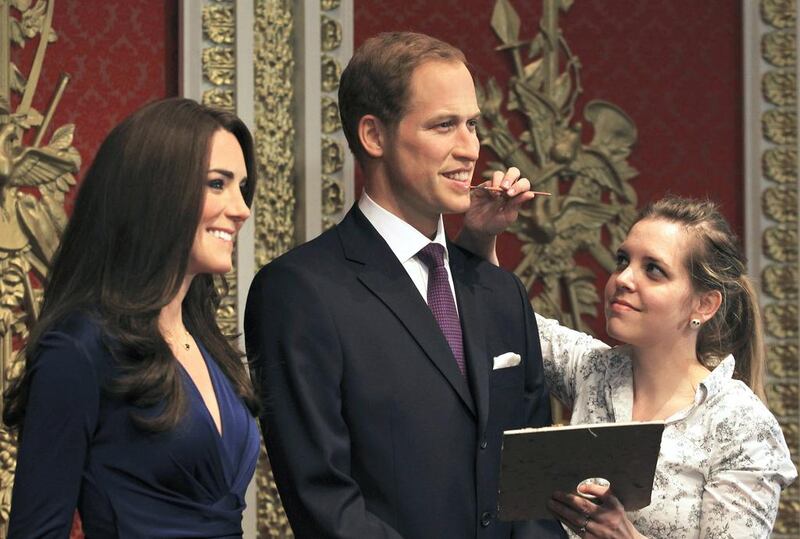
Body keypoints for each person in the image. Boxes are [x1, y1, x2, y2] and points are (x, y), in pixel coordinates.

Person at [244, 32, 564, 538]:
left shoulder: (501, 293)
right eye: (444, 126)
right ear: (374, 136)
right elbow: (323, 498)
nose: (470, 149)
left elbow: (532, 485)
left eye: (472, 125)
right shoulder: (298, 292)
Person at [458, 189, 797, 538]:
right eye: (623, 260)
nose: (622, 279)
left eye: (653, 270)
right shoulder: (592, 369)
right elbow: (506, 315)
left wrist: (625, 536)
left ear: (704, 305)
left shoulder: (741, 423)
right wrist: (481, 233)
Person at [4, 97, 261, 538]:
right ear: (157, 191)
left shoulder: (204, 342)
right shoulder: (80, 347)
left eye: (241, 187)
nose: (241, 209)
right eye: (218, 184)